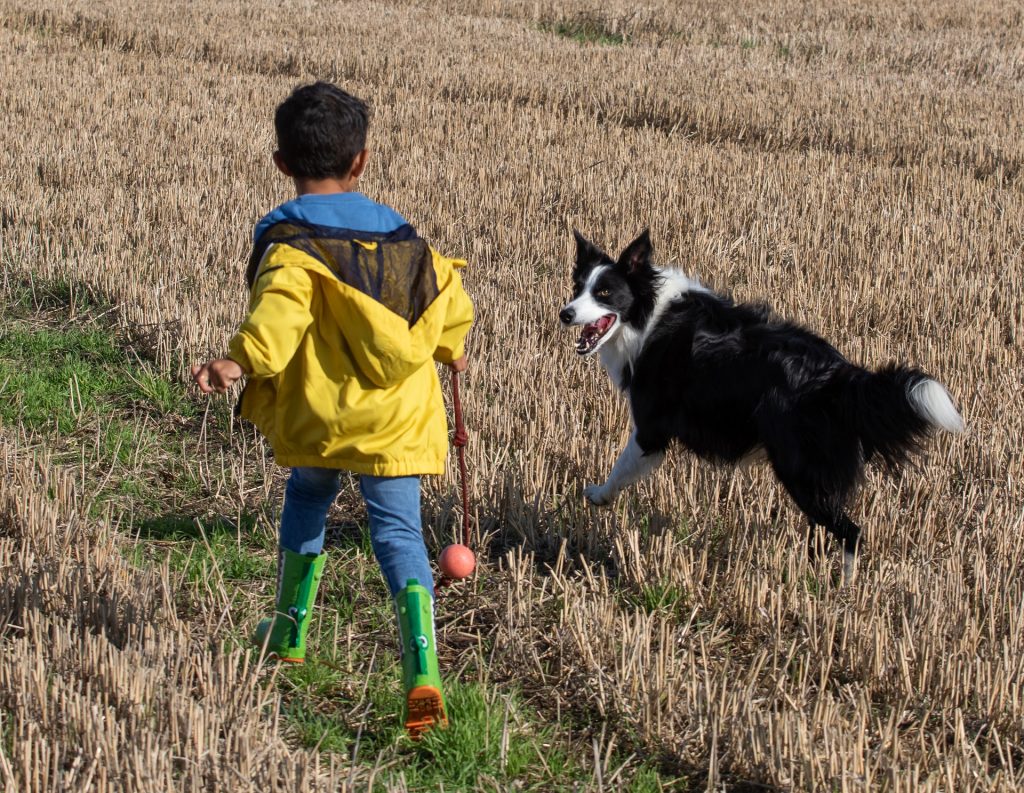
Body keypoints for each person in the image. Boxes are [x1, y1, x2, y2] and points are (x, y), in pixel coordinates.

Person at [191, 82, 473, 738]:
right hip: (394, 421)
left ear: (282, 163)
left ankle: (289, 628)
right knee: (399, 535)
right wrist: (452, 348)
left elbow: (278, 317)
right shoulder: (406, 240)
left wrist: (236, 363)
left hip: (321, 415)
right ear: (362, 162)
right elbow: (449, 302)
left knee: (308, 496)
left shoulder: (289, 239)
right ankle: (421, 667)